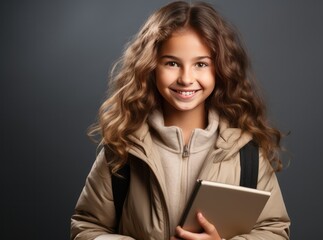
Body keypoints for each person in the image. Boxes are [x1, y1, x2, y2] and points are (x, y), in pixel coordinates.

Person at [70, 1, 290, 239]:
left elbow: (275, 231)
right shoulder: (122, 149)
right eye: (172, 63)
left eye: (201, 64)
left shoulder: (247, 154)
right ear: (151, 66)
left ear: (220, 69)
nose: (186, 78)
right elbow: (86, 228)